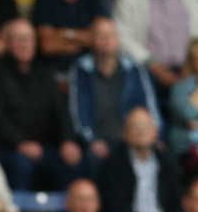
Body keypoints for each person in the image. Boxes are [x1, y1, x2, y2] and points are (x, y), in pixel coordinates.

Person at [0, 18, 81, 193]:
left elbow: (61, 111)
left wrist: (68, 140)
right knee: (21, 163)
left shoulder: (45, 72)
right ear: (8, 43)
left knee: (71, 160)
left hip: (44, 147)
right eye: (18, 39)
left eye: (28, 39)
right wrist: (20, 143)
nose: (24, 44)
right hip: (9, 147)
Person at [68, 17, 162, 166]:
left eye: (111, 35)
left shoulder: (134, 68)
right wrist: (92, 141)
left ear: (118, 40)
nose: (106, 40)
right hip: (98, 141)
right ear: (92, 40)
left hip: (133, 139)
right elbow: (78, 113)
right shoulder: (81, 70)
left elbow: (150, 107)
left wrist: (154, 135)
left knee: (159, 156)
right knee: (95, 158)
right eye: (101, 35)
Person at [97, 107, 181, 212]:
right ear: (124, 133)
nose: (141, 131)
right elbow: (116, 207)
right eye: (135, 126)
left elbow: (175, 202)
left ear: (155, 132)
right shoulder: (113, 164)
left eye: (145, 126)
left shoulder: (167, 162)